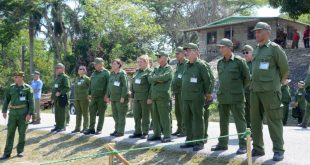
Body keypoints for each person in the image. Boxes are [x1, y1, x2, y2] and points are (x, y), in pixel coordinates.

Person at [250, 22, 289, 161]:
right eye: (256, 32)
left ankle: (278, 150)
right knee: (255, 121)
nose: (256, 34)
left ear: (267, 32)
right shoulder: (256, 49)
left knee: (274, 121)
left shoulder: (275, 49)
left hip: (270, 92)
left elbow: (284, 68)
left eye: (259, 31)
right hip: (255, 91)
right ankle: (258, 148)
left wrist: (277, 84)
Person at [210, 38, 250, 154]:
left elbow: (247, 79)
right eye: (220, 47)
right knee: (223, 121)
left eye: (222, 47)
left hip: (236, 97)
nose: (220, 49)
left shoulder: (239, 61)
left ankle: (243, 145)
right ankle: (223, 144)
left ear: (229, 48)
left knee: (240, 121)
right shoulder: (220, 62)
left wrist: (238, 89)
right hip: (223, 96)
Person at [179, 43, 213, 151]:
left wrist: (207, 94)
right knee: (187, 120)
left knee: (198, 119)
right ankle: (190, 140)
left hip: (197, 97)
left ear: (195, 51)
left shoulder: (201, 65)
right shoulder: (186, 65)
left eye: (189, 50)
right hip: (186, 97)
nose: (186, 53)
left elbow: (208, 81)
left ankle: (199, 141)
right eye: (186, 51)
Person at [0, 72, 34, 160]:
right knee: (10, 133)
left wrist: (30, 114)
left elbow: (31, 102)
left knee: (22, 133)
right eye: (15, 77)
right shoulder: (11, 88)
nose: (16, 79)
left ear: (22, 78)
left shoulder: (28, 88)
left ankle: (20, 151)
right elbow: (6, 100)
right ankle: (7, 153)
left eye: (18, 77)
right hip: (12, 114)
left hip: (23, 113)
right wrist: (4, 111)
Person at [147, 51, 173, 143]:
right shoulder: (156, 69)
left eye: (159, 56)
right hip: (154, 96)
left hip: (163, 96)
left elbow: (165, 77)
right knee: (155, 117)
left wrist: (156, 79)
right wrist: (157, 79)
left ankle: (167, 135)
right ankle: (156, 134)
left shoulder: (168, 68)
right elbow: (149, 78)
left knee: (164, 117)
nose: (157, 58)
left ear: (165, 57)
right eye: (157, 56)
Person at [84, 58, 110, 135]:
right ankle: (91, 129)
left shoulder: (106, 73)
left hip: (102, 97)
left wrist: (107, 95)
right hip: (93, 97)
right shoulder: (93, 73)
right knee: (92, 113)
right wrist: (89, 93)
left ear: (101, 64)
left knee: (101, 114)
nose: (94, 65)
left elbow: (109, 85)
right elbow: (91, 84)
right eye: (94, 64)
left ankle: (99, 129)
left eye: (96, 64)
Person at [129, 55, 152, 139]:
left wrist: (150, 97)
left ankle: (145, 132)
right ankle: (137, 131)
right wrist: (131, 94)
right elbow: (133, 83)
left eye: (141, 62)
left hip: (145, 97)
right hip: (136, 97)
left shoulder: (149, 72)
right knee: (136, 115)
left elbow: (151, 86)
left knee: (145, 116)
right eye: (138, 62)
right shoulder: (137, 72)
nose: (139, 63)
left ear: (146, 62)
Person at [107, 59, 129, 137]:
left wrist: (123, 96)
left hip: (120, 98)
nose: (112, 65)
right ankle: (116, 129)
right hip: (113, 98)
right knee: (115, 115)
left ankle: (120, 131)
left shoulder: (122, 74)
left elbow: (125, 86)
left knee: (121, 115)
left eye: (114, 64)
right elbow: (109, 86)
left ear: (119, 65)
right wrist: (108, 96)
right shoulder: (112, 74)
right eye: (112, 64)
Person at [171, 47, 187, 137]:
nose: (176, 55)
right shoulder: (178, 64)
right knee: (178, 111)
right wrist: (173, 89)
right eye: (175, 54)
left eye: (178, 53)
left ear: (183, 53)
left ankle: (185, 130)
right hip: (177, 91)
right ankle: (179, 128)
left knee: (183, 111)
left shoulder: (186, 63)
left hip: (183, 91)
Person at [51, 63, 70, 132]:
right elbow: (54, 89)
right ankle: (58, 125)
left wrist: (60, 92)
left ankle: (62, 126)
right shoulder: (57, 78)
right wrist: (52, 98)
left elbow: (67, 87)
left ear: (62, 69)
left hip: (62, 97)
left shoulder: (65, 77)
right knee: (57, 112)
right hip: (56, 98)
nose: (56, 69)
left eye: (58, 68)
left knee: (62, 112)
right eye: (56, 68)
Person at [72, 66, 91, 133]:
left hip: (84, 98)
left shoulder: (87, 79)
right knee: (78, 114)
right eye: (79, 69)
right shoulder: (77, 79)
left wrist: (89, 95)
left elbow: (90, 87)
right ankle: (77, 128)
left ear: (84, 71)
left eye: (81, 69)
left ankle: (85, 128)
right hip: (77, 98)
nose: (79, 70)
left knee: (85, 114)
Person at [242, 45, 253, 128]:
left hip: (253, 92)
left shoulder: (256, 63)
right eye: (244, 53)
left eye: (247, 52)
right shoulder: (243, 64)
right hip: (245, 92)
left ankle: (255, 131)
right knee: (246, 112)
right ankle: (248, 130)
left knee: (254, 112)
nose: (245, 54)